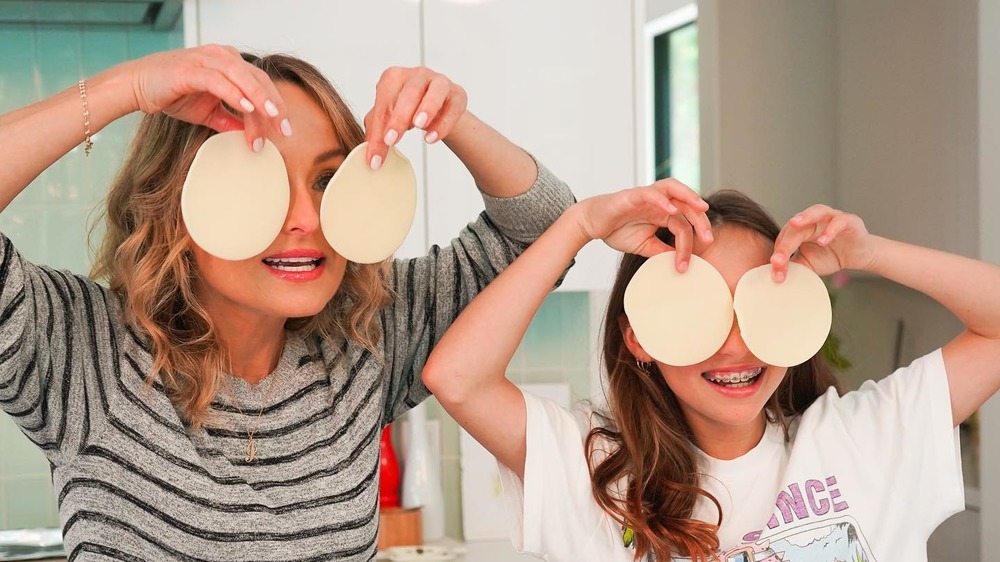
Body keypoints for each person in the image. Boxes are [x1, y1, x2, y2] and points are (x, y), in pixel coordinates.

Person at [0, 45, 575, 561]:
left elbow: (546, 236)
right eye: (261, 178)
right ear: (176, 203)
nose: (306, 218)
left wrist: (453, 121)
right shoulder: (84, 353)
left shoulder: (364, 343)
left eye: (326, 180)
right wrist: (127, 88)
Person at [422, 181, 1000, 561]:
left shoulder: (869, 440)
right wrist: (580, 225)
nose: (733, 346)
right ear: (640, 337)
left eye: (757, 310)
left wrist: (870, 254)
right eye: (699, 314)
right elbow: (456, 377)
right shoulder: (593, 470)